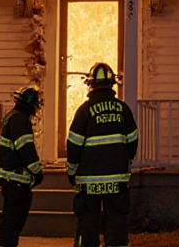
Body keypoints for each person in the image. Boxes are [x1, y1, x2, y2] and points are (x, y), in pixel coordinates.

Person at [66, 62, 138, 247]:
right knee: (116, 223)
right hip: (117, 180)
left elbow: (73, 146)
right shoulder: (123, 110)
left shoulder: (84, 111)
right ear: (112, 84)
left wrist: (72, 172)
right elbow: (132, 141)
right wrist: (125, 162)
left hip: (88, 182)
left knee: (88, 224)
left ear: (90, 85)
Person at [0, 87, 44, 247]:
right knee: (12, 221)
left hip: (9, 178)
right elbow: (26, 150)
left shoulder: (11, 117)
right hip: (16, 180)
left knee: (10, 220)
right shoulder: (20, 120)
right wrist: (38, 172)